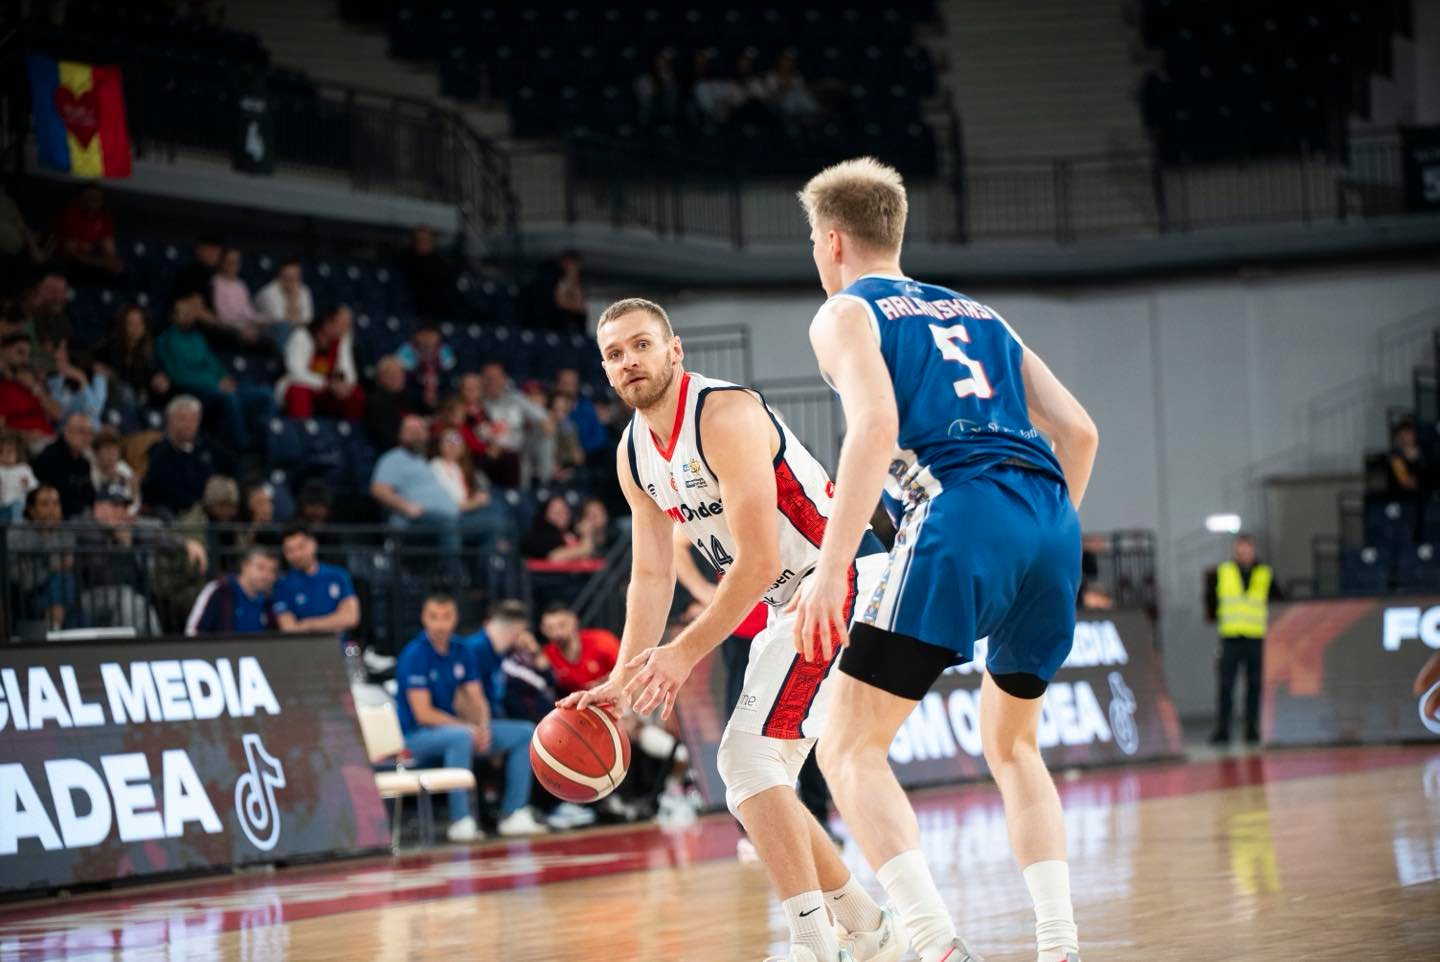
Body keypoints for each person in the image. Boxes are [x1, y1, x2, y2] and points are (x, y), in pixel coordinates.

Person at [788, 157, 1099, 962]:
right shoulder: (983, 313)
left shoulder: (846, 313)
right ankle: (1059, 946)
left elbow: (876, 427)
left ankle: (934, 947)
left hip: (961, 512)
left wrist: (831, 568)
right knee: (1015, 746)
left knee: (847, 747)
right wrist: (1041, 535)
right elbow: (1081, 433)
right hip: (1050, 519)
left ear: (830, 242)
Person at [562, 298, 891, 962]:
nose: (629, 361)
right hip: (788, 604)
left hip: (844, 581)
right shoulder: (633, 454)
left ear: (674, 349)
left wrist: (682, 653)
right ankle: (864, 926)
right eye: (615, 353)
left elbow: (761, 559)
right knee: (754, 780)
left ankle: (813, 942)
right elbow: (650, 577)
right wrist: (624, 679)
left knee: (746, 762)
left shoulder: (725, 414)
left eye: (641, 345)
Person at [394, 591, 548, 840]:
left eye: (446, 616)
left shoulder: (462, 650)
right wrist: (469, 728)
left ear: (455, 618)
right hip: (415, 737)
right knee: (461, 737)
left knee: (525, 733)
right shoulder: (415, 655)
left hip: (459, 730)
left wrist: (483, 727)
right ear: (424, 618)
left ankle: (514, 813)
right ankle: (461, 820)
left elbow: (477, 698)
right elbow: (423, 714)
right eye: (434, 617)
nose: (440, 623)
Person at [156, 292, 275, 453]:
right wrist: (215, 383)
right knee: (229, 398)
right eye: (182, 311)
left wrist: (224, 377)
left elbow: (213, 363)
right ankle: (244, 447)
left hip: (218, 385)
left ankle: (266, 442)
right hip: (195, 391)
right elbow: (179, 376)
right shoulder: (166, 340)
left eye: (190, 311)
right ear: (172, 315)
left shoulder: (198, 337)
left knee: (265, 394)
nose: (188, 315)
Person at [1204, 533, 1282, 745]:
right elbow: (1211, 602)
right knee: (1226, 685)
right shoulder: (1223, 572)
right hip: (1230, 638)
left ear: (1253, 549)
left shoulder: (1265, 573)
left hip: (1255, 638)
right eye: (1240, 549)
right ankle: (1223, 729)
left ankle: (1252, 728)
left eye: (1247, 549)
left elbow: (1278, 601)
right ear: (1235, 551)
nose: (1244, 553)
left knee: (1254, 685)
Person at [273, 522, 361, 640]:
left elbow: (351, 617)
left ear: (313, 544)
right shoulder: (282, 584)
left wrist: (307, 624)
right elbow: (289, 629)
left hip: (337, 650)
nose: (296, 554)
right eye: (290, 550)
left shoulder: (337, 575)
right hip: (302, 651)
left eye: (301, 547)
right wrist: (334, 624)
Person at [276, 304, 364, 420]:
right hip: (303, 385)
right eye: (343, 324)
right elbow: (295, 372)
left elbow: (348, 371)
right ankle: (301, 432)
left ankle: (348, 433)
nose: (347, 328)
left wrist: (343, 385)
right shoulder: (302, 336)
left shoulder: (342, 340)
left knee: (356, 394)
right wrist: (325, 384)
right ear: (328, 323)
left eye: (348, 324)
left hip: (328, 389)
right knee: (299, 392)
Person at [141, 395, 221, 517]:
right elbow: (160, 490)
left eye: (194, 419)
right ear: (170, 421)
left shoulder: (207, 449)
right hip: (171, 515)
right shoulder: (159, 452)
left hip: (206, 514)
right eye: (183, 419)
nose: (189, 425)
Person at [11, 485, 77, 631]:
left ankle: (55, 628)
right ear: (32, 510)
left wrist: (50, 566)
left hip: (61, 591)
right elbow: (24, 580)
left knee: (65, 581)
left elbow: (66, 564)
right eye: (45, 504)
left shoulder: (66, 534)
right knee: (62, 580)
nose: (52, 509)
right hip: (27, 596)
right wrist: (50, 568)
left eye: (56, 503)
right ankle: (55, 632)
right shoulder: (16, 535)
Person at [476, 360, 548, 488]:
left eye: (497, 377)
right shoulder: (477, 403)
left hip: (519, 451)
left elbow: (542, 416)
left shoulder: (515, 398)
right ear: (482, 380)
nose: (493, 382)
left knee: (545, 436)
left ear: (504, 379)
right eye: (489, 378)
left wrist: (545, 423)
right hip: (489, 451)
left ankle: (546, 483)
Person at [96, 303, 170, 417]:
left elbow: (155, 373)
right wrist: (103, 370)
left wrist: (159, 379)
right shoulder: (111, 345)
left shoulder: (150, 350)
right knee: (125, 391)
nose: (135, 329)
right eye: (131, 324)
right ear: (123, 325)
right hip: (114, 392)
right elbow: (96, 361)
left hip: (141, 394)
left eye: (139, 324)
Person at [185, 546, 280, 635]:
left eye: (272, 571)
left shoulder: (270, 601)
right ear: (245, 566)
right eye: (261, 568)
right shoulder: (219, 590)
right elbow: (193, 630)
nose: (267, 575)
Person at [539, 601, 621, 694]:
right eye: (550, 628)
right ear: (543, 630)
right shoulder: (546, 656)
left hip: (614, 697)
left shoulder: (602, 640)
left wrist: (609, 681)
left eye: (562, 625)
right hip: (578, 705)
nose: (557, 633)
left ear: (574, 621)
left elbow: (626, 668)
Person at [50, 183, 123, 283]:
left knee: (119, 274)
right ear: (81, 198)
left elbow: (110, 250)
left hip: (90, 261)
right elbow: (70, 253)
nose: (93, 201)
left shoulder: (104, 219)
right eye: (89, 196)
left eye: (97, 198)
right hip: (64, 261)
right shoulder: (70, 214)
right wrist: (102, 263)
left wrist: (112, 263)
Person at [210, 248, 275, 355]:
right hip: (228, 327)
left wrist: (263, 321)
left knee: (270, 332)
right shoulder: (216, 283)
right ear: (222, 263)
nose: (233, 266)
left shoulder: (241, 284)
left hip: (245, 325)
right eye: (229, 262)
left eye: (235, 262)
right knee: (244, 336)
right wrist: (242, 327)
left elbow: (248, 312)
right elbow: (222, 315)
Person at [31, 411, 95, 519]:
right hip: (53, 519)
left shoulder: (84, 463)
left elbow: (90, 495)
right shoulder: (49, 458)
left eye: (89, 433)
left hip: (78, 516)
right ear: (67, 432)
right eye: (81, 432)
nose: (87, 437)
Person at [0, 334, 61, 447]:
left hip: (50, 439)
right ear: (3, 350)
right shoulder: (2, 386)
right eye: (20, 352)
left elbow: (57, 414)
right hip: (22, 443)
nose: (25, 359)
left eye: (28, 355)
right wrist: (24, 434)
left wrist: (34, 387)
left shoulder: (34, 381)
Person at [394, 227, 459, 320]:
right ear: (413, 242)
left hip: (440, 311)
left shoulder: (440, 263)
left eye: (427, 241)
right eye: (419, 241)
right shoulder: (406, 261)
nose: (423, 244)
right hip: (416, 309)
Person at [396, 324, 456, 414]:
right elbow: (402, 386)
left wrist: (438, 397)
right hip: (412, 407)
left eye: (432, 335)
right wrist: (422, 397)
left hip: (441, 407)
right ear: (416, 336)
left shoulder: (445, 354)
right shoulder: (406, 353)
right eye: (424, 335)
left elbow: (449, 385)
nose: (428, 340)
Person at [522, 494, 599, 562]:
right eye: (557, 512)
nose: (562, 515)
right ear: (545, 514)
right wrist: (587, 537)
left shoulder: (573, 532)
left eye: (564, 511)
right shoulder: (540, 535)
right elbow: (555, 557)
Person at [46, 344, 107, 429]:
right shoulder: (54, 381)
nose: (56, 354)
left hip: (91, 431)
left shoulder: (97, 379)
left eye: (62, 352)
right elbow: (59, 415)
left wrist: (82, 379)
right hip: (65, 433)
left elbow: (92, 412)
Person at [364, 355, 414, 450]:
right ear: (381, 377)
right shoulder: (376, 402)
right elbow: (384, 436)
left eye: (401, 374)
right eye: (393, 374)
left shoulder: (405, 397)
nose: (399, 378)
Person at [253, 258, 314, 333]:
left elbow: (307, 320)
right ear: (280, 276)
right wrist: (292, 299)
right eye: (289, 277)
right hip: (269, 335)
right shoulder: (268, 293)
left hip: (295, 333)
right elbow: (282, 324)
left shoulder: (304, 290)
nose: (293, 282)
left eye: (296, 277)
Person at [90, 431, 138, 514]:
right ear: (96, 453)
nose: (111, 455)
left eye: (115, 450)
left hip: (123, 517)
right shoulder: (90, 470)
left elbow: (133, 505)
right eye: (107, 450)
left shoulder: (125, 471)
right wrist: (108, 481)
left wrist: (133, 491)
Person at [0, 430, 38, 520]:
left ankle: (15, 530)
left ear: (17, 453)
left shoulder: (24, 469)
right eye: (1, 452)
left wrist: (27, 483)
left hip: (18, 507)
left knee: (17, 505)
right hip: (1, 506)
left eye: (9, 452)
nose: (5, 455)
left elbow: (34, 487)